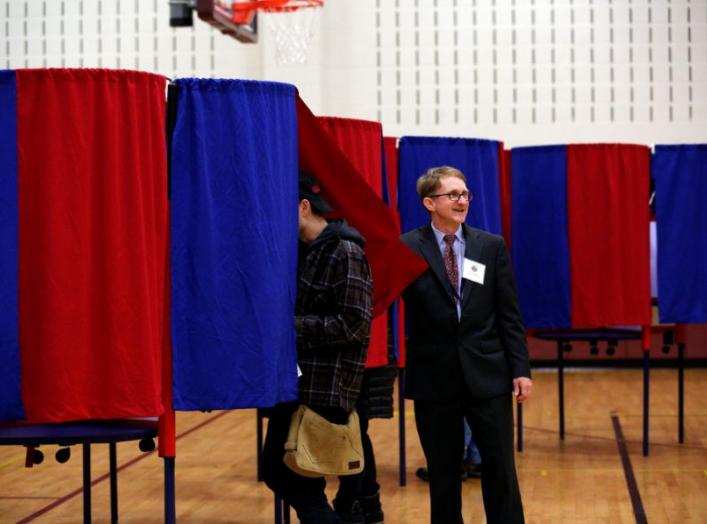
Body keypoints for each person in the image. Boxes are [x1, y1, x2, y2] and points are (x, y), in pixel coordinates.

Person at [400, 166, 532, 524]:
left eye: (465, 194)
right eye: (453, 195)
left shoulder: (490, 246)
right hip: (434, 376)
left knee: (500, 467)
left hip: (487, 373)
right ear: (430, 202)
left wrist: (520, 369)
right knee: (443, 473)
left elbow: (509, 313)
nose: (462, 201)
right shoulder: (407, 247)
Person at [262, 174, 373, 524]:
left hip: (325, 389)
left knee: (293, 479)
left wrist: (287, 328)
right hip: (298, 385)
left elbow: (354, 324)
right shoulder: (304, 251)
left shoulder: (345, 251)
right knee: (284, 474)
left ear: (304, 206)